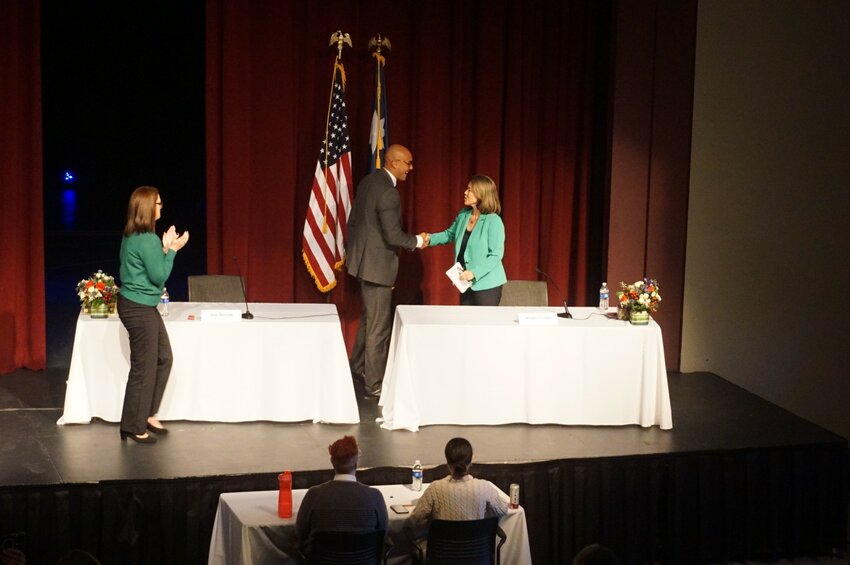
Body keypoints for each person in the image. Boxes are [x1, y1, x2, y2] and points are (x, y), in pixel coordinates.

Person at [346, 144, 426, 398]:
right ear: (394, 163)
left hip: (363, 263)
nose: (410, 168)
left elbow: (354, 221)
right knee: (379, 328)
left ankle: (358, 369)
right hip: (378, 268)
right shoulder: (389, 193)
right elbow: (393, 235)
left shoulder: (368, 182)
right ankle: (374, 385)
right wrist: (418, 241)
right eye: (408, 163)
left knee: (370, 320)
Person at [117, 186, 189, 443]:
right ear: (148, 207)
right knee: (143, 368)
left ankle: (146, 414)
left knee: (163, 358)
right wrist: (171, 251)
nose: (161, 207)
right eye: (158, 203)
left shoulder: (134, 234)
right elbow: (159, 276)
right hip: (138, 308)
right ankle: (134, 426)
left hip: (139, 305)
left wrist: (164, 247)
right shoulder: (146, 239)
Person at [423, 174, 506, 306]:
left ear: (481, 194)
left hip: (487, 284)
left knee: (483, 325)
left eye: (469, 190)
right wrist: (428, 239)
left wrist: (473, 273)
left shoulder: (493, 220)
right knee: (466, 323)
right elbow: (449, 234)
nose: (465, 193)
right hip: (465, 282)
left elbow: (496, 255)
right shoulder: (464, 215)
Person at [295, 435, 388, 549]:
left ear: (332, 462)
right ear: (356, 463)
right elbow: (383, 532)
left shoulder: (313, 495)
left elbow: (301, 534)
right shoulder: (374, 496)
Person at [406, 437, 509, 535]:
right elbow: (503, 509)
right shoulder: (484, 488)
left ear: (447, 461)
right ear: (471, 460)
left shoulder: (435, 489)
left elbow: (415, 520)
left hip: (442, 552)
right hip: (476, 552)